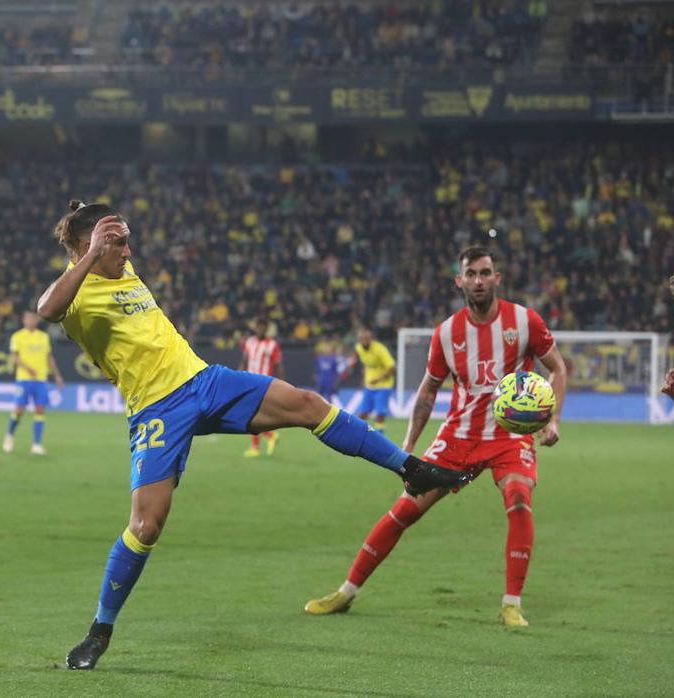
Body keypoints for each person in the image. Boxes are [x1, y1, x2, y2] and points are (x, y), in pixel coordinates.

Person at [37, 201, 471, 670]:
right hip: (156, 409)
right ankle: (100, 630)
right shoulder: (78, 292)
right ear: (89, 248)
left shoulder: (122, 266)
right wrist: (89, 251)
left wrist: (91, 220)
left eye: (126, 238)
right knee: (146, 527)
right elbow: (46, 308)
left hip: (204, 381)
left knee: (309, 404)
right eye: (117, 241)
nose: (127, 248)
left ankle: (411, 469)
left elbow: (92, 234)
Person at [305, 246, 567, 628]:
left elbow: (557, 369)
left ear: (497, 278)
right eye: (471, 274)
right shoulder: (447, 333)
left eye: (485, 272)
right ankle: (346, 592)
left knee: (519, 499)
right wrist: (407, 449)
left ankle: (511, 603)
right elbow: (428, 391)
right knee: (405, 510)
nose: (478, 280)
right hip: (458, 436)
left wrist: (553, 419)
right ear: (459, 281)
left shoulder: (524, 322)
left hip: (509, 436)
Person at [2, 311, 65, 455]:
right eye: (28, 319)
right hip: (23, 379)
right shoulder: (17, 336)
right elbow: (14, 357)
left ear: (36, 321)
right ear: (24, 320)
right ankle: (9, 436)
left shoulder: (43, 337)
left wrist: (57, 376)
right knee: (19, 410)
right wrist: (28, 368)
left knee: (40, 410)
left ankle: (36, 444)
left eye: (33, 319)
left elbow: (50, 358)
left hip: (41, 380)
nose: (30, 321)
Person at [239, 321, 283, 457]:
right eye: (259, 327)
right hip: (249, 382)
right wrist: (237, 377)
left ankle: (262, 442)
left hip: (263, 384)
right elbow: (245, 361)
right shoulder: (250, 342)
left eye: (264, 327)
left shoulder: (272, 345)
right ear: (256, 328)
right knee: (252, 415)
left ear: (267, 329)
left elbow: (278, 365)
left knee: (251, 415)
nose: (261, 330)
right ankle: (266, 439)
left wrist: (281, 384)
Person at [352, 326, 396, 431]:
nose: (364, 341)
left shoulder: (380, 349)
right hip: (369, 386)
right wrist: (364, 380)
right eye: (362, 339)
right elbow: (366, 365)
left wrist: (379, 379)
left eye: (366, 339)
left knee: (380, 414)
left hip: (383, 386)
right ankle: (357, 435)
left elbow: (393, 368)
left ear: (370, 339)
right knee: (363, 413)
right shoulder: (358, 348)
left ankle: (380, 437)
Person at [315, 339, 349, 404]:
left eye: (330, 348)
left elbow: (336, 371)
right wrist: (317, 378)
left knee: (328, 398)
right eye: (327, 348)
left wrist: (335, 380)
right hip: (321, 381)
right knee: (319, 397)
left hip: (329, 381)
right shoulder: (321, 359)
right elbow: (317, 370)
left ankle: (329, 412)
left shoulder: (334, 359)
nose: (328, 350)